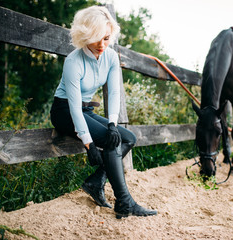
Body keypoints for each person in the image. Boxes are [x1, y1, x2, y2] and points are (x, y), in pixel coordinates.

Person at [50, 5, 157, 219]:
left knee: (128, 138)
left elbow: (115, 92)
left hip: (85, 109)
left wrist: (112, 123)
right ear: (85, 35)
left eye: (106, 38)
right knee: (110, 141)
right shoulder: (73, 61)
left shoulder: (110, 57)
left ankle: (96, 181)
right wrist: (88, 143)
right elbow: (72, 107)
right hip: (64, 111)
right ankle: (125, 203)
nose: (101, 44)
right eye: (97, 38)